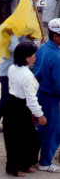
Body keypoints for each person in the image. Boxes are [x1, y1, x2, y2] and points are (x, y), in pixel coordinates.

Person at [3, 41, 44, 176]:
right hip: (20, 106)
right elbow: (31, 99)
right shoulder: (27, 75)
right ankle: (15, 168)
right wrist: (40, 115)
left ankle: (25, 164)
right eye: (33, 55)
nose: (35, 58)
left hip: (11, 104)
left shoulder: (13, 68)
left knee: (25, 138)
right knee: (18, 139)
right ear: (27, 58)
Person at [33, 19, 60, 172]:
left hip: (41, 93)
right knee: (53, 130)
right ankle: (45, 162)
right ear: (55, 36)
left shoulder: (42, 48)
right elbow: (59, 84)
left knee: (42, 129)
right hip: (52, 97)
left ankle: (32, 157)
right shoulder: (56, 56)